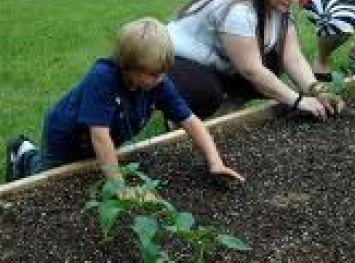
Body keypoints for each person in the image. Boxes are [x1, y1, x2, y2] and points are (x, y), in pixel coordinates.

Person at [5, 18, 244, 194]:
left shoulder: (157, 83)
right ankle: (23, 152)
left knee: (88, 177)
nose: (159, 79)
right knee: (49, 183)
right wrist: (119, 187)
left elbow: (190, 121)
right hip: (66, 137)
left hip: (102, 138)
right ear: (127, 66)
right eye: (152, 74)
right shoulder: (102, 79)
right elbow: (99, 135)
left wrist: (215, 162)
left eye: (162, 73)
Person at [167, 0, 344, 120]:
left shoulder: (278, 8)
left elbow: (293, 58)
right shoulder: (239, 12)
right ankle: (177, 118)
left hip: (213, 62)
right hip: (174, 60)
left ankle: (224, 113)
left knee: (272, 63)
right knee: (207, 91)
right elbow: (250, 70)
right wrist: (298, 101)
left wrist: (317, 90)